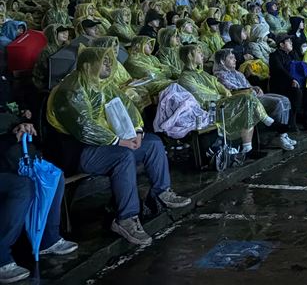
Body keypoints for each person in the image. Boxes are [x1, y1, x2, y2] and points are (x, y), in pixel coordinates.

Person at [47, 47, 191, 246]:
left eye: (109, 60)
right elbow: (84, 128)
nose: (109, 64)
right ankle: (126, 218)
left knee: (152, 144)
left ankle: (161, 192)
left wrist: (138, 131)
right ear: (88, 65)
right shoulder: (70, 89)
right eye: (104, 60)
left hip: (111, 144)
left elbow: (128, 107)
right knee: (123, 156)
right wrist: (119, 141)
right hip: (80, 152)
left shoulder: (104, 85)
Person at [1, 120, 78, 284]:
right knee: (22, 186)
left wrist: (22, 125)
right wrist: (12, 137)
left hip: (14, 157)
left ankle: (47, 239)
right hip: (6, 162)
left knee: (53, 176)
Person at [212, 49, 295, 151]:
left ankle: (282, 135)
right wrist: (252, 90)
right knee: (278, 103)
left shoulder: (237, 73)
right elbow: (235, 91)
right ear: (222, 61)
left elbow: (248, 86)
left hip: (254, 96)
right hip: (243, 103)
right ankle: (276, 136)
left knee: (285, 99)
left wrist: (255, 87)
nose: (235, 60)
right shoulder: (220, 76)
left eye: (234, 57)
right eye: (231, 58)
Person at [269, 35, 307, 131]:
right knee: (296, 92)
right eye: (288, 41)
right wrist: (291, 80)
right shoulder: (274, 56)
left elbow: (302, 67)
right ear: (281, 44)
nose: (291, 43)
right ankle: (292, 121)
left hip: (299, 81)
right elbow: (280, 71)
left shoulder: (293, 54)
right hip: (283, 84)